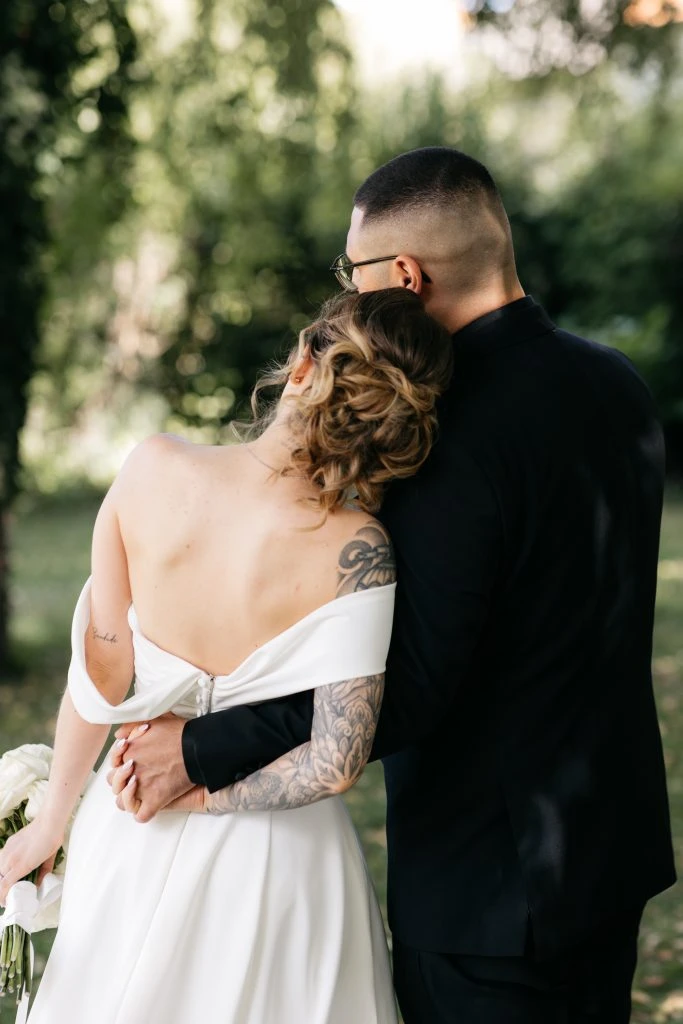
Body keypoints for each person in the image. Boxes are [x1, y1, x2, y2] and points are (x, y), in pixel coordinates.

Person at [109, 147, 676, 1024]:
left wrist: (199, 747)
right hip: (609, 853)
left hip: (486, 889)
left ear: (403, 276)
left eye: (354, 270)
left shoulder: (443, 435)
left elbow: (405, 685)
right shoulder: (616, 386)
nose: (348, 286)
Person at [0, 287, 454, 1023]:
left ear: (302, 364)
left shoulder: (151, 469)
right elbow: (336, 762)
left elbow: (100, 681)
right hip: (284, 865)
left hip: (133, 819)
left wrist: (53, 821)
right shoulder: (359, 551)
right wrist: (208, 795)